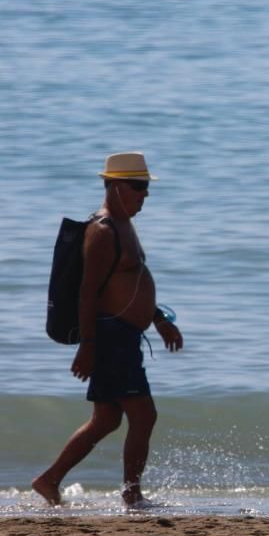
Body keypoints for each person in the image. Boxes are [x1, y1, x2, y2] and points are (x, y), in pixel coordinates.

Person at [32, 152, 183, 507]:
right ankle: (132, 494)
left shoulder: (124, 224)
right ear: (115, 187)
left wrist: (159, 319)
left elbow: (130, 283)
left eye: (146, 188)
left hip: (124, 336)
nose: (144, 195)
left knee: (106, 419)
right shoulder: (101, 231)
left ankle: (49, 479)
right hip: (111, 338)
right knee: (144, 415)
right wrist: (88, 346)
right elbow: (88, 293)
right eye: (138, 187)